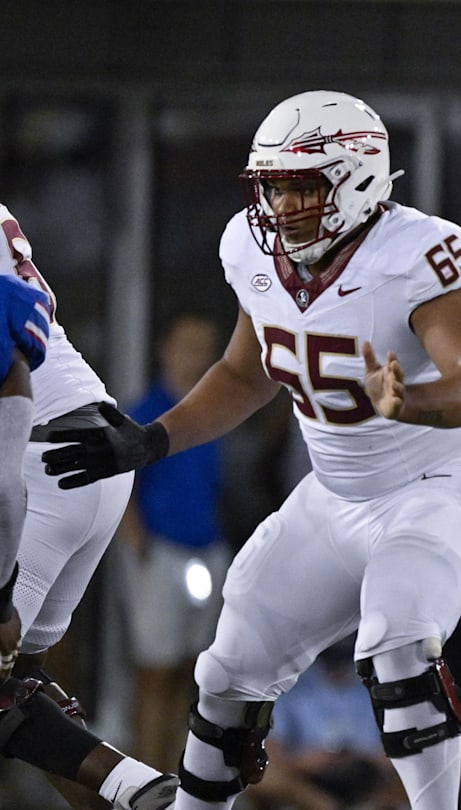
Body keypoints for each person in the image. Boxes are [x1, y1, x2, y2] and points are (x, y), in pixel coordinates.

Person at [41, 90, 461, 810]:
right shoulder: (250, 246)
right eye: (274, 187)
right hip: (334, 492)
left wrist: (412, 401)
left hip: (439, 481)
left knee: (397, 643)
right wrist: (150, 441)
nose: (284, 206)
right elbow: (245, 371)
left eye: (303, 186)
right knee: (228, 668)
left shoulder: (413, 251)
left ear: (358, 178)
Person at [1, 204, 180, 809]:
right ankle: (128, 790)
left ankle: (131, 782)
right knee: (23, 694)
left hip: (40, 461)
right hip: (91, 456)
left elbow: (10, 408)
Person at [117, 312, 227, 770]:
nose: (195, 357)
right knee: (155, 672)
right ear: (165, 348)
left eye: (205, 347)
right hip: (160, 553)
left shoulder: (216, 411)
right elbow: (120, 483)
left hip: (207, 552)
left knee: (191, 670)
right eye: (187, 345)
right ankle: (143, 776)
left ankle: (176, 777)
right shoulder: (145, 411)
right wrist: (137, 543)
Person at [246, 640, 406, 810]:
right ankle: (325, 805)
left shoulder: (376, 683)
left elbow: (397, 750)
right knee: (258, 778)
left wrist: (359, 758)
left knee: (416, 771)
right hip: (308, 781)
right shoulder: (290, 685)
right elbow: (268, 756)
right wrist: (306, 762)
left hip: (367, 777)